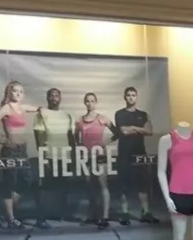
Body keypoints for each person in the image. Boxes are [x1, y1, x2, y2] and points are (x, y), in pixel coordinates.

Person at [0, 80, 43, 230]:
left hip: (22, 150)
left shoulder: (22, 108)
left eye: (21, 92)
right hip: (10, 151)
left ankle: (4, 214)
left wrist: (47, 110)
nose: (18, 94)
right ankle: (10, 218)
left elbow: (39, 108)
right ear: (9, 92)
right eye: (15, 91)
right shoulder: (6, 108)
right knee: (10, 184)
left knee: (27, 179)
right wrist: (2, 140)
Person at [113, 86, 158, 225]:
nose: (131, 97)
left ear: (136, 97)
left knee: (142, 184)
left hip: (139, 153)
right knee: (123, 185)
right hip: (124, 153)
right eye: (128, 95)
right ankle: (125, 213)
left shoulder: (143, 114)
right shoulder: (119, 114)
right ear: (125, 97)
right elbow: (123, 131)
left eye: (133, 95)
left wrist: (131, 127)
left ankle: (146, 212)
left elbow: (149, 131)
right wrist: (140, 129)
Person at [33, 87, 74, 225]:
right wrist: (43, 157)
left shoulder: (67, 115)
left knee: (63, 186)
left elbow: (70, 137)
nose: (54, 98)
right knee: (45, 187)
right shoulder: (41, 114)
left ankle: (62, 214)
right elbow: (39, 137)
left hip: (64, 155)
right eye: (51, 96)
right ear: (47, 98)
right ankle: (41, 217)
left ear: (60, 98)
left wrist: (73, 156)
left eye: (56, 96)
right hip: (49, 155)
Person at [75, 92, 115, 229]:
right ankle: (92, 215)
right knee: (89, 185)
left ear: (96, 103)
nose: (90, 103)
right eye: (87, 101)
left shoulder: (102, 118)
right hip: (86, 156)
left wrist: (105, 143)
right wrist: (79, 147)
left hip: (99, 156)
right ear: (84, 103)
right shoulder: (79, 121)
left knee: (102, 185)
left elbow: (117, 132)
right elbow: (76, 138)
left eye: (92, 101)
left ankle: (104, 217)